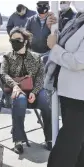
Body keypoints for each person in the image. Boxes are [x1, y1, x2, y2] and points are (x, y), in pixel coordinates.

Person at [0, 27, 52, 154]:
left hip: (35, 89)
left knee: (46, 101)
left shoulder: (36, 57)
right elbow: (3, 74)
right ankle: (18, 140)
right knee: (20, 100)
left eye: (18, 39)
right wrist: (15, 85)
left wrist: (34, 92)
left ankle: (49, 138)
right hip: (15, 90)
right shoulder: (7, 57)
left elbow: (40, 77)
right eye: (12, 40)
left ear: (25, 41)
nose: (15, 42)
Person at [45, 2, 84, 166]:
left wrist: (54, 47)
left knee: (67, 147)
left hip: (79, 96)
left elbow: (78, 62)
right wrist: (52, 29)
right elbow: (65, 44)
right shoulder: (78, 20)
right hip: (69, 92)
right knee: (77, 146)